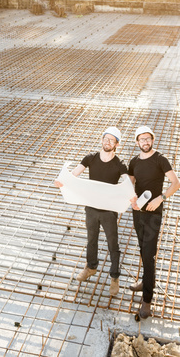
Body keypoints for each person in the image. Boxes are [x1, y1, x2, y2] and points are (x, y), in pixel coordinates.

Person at [53, 125, 127, 296]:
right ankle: (91, 267)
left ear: (116, 144)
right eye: (105, 138)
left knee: (112, 244)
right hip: (91, 207)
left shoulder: (120, 164)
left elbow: (128, 182)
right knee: (91, 239)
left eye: (112, 140)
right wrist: (62, 181)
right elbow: (73, 175)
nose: (107, 142)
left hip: (108, 211)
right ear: (102, 140)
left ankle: (115, 277)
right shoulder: (91, 158)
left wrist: (129, 192)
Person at [127, 125, 180, 320]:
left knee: (149, 255)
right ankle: (145, 280)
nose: (145, 142)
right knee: (142, 249)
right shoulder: (133, 162)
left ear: (152, 140)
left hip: (154, 214)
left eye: (148, 138)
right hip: (138, 212)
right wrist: (131, 199)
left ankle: (147, 300)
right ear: (137, 142)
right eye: (141, 139)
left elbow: (176, 183)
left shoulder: (160, 159)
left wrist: (161, 198)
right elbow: (129, 184)